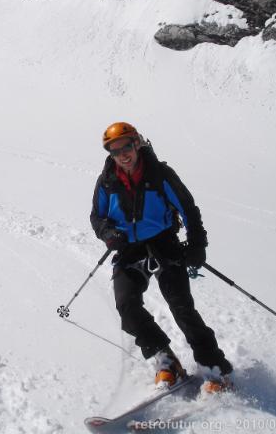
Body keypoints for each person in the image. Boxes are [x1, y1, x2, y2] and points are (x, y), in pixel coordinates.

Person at [90, 121, 233, 393]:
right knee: (127, 305)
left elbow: (188, 209)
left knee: (182, 308)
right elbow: (97, 216)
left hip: (163, 244)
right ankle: (165, 360)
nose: (122, 154)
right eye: (114, 149)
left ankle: (215, 368)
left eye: (127, 146)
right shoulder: (106, 182)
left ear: (137, 144)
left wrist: (196, 244)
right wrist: (108, 232)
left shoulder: (160, 174)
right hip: (128, 247)